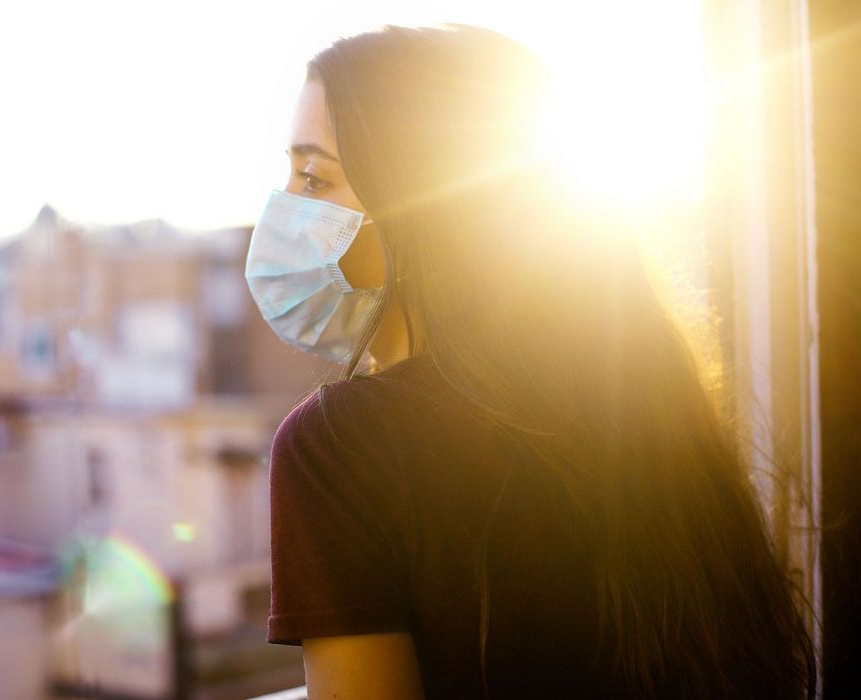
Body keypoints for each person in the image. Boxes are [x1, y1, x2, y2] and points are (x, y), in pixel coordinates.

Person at [244, 23, 816, 699]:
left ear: (424, 205)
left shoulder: (336, 446)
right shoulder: (640, 397)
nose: (281, 207)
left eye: (313, 176)